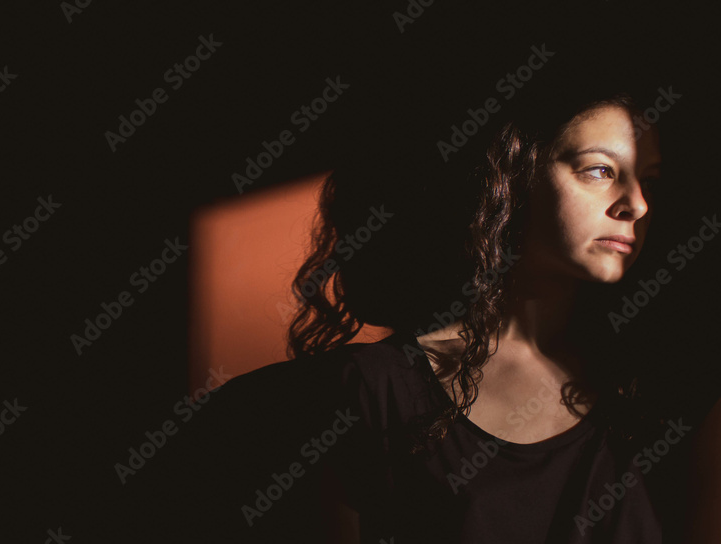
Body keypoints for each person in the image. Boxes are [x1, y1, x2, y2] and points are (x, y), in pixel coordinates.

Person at [286, 76, 675, 542]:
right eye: (599, 170)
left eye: (647, 179)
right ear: (514, 173)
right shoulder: (378, 389)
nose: (636, 204)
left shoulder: (653, 386)